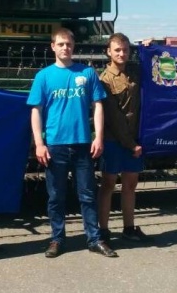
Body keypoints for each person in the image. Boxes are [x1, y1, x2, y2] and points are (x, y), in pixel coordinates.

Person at [27, 27, 117, 258]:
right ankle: (57, 239)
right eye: (61, 44)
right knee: (56, 197)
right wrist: (39, 143)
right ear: (53, 47)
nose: (65, 48)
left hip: (82, 143)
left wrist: (98, 136)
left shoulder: (87, 73)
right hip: (55, 145)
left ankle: (94, 239)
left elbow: (98, 106)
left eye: (69, 44)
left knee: (87, 195)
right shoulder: (43, 76)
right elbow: (36, 110)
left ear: (73, 46)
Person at [97, 33, 150, 245]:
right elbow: (114, 118)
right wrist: (132, 145)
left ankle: (129, 228)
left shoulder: (135, 72)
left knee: (130, 184)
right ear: (108, 52)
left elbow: (155, 67)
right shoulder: (104, 80)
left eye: (125, 50)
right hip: (114, 140)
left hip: (134, 138)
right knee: (108, 184)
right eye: (117, 50)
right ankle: (103, 231)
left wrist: (150, 48)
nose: (122, 53)